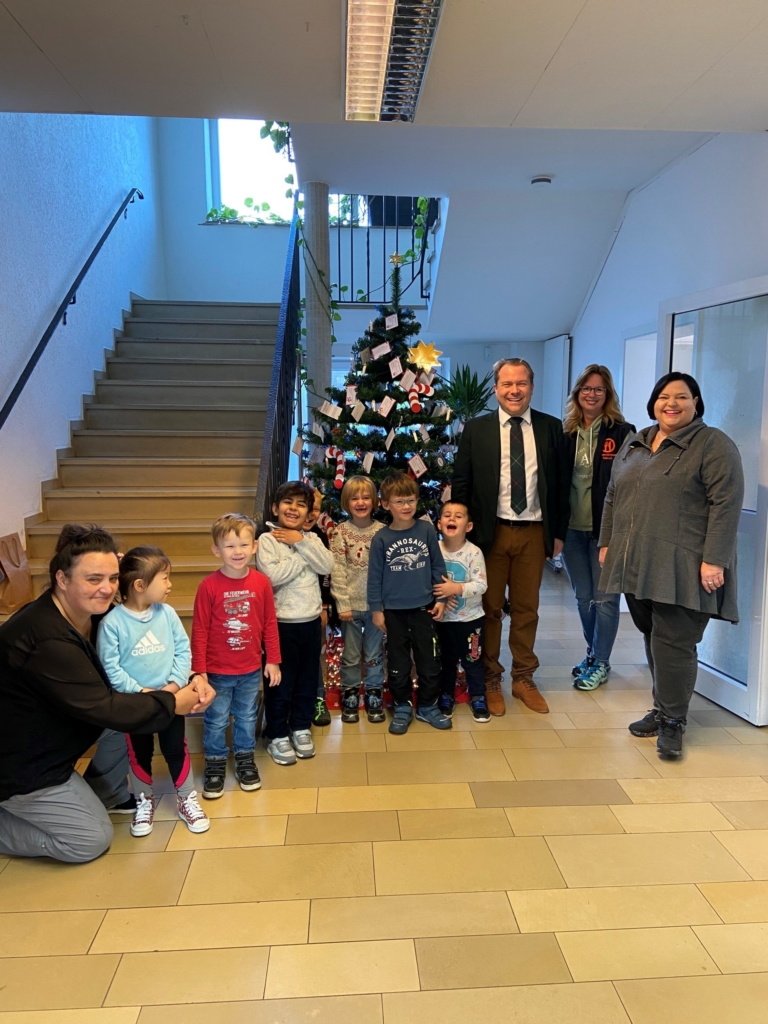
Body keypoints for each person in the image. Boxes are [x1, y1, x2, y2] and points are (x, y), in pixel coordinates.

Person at [0, 524, 213, 863]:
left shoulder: (98, 615)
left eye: (113, 578)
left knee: (131, 714)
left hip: (61, 740)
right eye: (93, 579)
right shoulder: (47, 639)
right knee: (90, 840)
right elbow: (105, 706)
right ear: (62, 578)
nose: (106, 588)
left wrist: (191, 676)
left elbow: (148, 650)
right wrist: (173, 701)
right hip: (21, 765)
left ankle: (106, 793)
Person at [599, 372, 744, 758]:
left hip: (686, 563)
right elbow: (613, 496)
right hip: (638, 561)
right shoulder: (636, 442)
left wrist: (714, 560)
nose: (672, 403)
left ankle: (674, 721)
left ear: (696, 402)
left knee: (674, 641)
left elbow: (725, 505)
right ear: (653, 403)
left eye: (682, 396)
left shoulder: (712, 444)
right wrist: (607, 541)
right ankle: (663, 709)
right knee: (653, 636)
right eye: (664, 396)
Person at [452, 357, 570, 715]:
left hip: (534, 532)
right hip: (489, 534)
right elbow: (462, 482)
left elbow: (562, 485)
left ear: (532, 387)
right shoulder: (477, 429)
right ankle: (490, 678)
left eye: (521, 383)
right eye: (507, 384)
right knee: (487, 609)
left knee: (526, 609)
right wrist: (460, 533)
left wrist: (558, 534)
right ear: (495, 389)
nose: (514, 390)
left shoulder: (551, 428)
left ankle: (523, 677)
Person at [97, 546, 209, 836]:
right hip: (135, 705)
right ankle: (143, 801)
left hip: (172, 701)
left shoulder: (167, 614)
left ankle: (186, 798)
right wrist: (143, 692)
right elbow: (111, 669)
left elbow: (183, 651)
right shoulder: (112, 624)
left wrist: (173, 687)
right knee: (139, 752)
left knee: (176, 749)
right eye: (165, 578)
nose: (170, 585)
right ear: (140, 585)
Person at [192, 513, 281, 797]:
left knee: (245, 717)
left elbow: (269, 623)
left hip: (250, 668)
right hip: (217, 671)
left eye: (243, 545)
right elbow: (200, 631)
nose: (238, 552)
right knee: (216, 719)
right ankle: (215, 762)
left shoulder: (261, 583)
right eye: (229, 546)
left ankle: (245, 758)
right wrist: (199, 670)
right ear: (216, 550)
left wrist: (273, 660)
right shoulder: (208, 586)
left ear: (254, 546)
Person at [561, 365, 635, 690]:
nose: (592, 394)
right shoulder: (565, 432)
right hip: (571, 530)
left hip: (607, 532)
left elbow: (631, 484)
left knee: (605, 599)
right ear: (577, 393)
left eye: (599, 389)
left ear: (608, 395)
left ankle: (602, 661)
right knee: (583, 598)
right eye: (586, 388)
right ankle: (592, 653)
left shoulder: (623, 432)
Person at [367, 473, 452, 735]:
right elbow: (374, 578)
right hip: (393, 612)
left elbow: (438, 566)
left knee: (429, 659)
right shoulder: (380, 539)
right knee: (398, 662)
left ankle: (427, 705)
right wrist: (376, 609)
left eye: (411, 500)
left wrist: (440, 599)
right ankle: (402, 705)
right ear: (385, 504)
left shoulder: (426, 530)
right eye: (399, 501)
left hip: (423, 608)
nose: (406, 506)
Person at [257, 481, 334, 765]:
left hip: (311, 623)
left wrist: (300, 543)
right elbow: (272, 578)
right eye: (288, 502)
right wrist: (303, 557)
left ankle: (301, 728)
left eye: (302, 505)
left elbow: (327, 566)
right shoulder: (267, 540)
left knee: (306, 680)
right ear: (276, 507)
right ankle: (277, 733)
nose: (294, 508)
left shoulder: (310, 539)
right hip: (280, 624)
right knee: (280, 682)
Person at [330, 475, 385, 724]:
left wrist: (382, 605)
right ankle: (350, 692)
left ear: (374, 501)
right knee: (351, 655)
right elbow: (337, 570)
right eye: (354, 498)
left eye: (365, 497)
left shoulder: (383, 532)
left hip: (375, 608)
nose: (360, 502)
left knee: (374, 653)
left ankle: (374, 692)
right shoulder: (340, 533)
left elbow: (388, 572)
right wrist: (342, 604)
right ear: (346, 502)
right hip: (350, 608)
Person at [434, 501, 490, 723]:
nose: (452, 519)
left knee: (472, 660)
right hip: (443, 620)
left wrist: (455, 589)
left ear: (468, 526)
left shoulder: (474, 553)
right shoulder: (434, 550)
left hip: (471, 620)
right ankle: (446, 695)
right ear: (439, 524)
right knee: (446, 660)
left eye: (458, 516)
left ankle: (478, 696)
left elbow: (481, 585)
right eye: (447, 515)